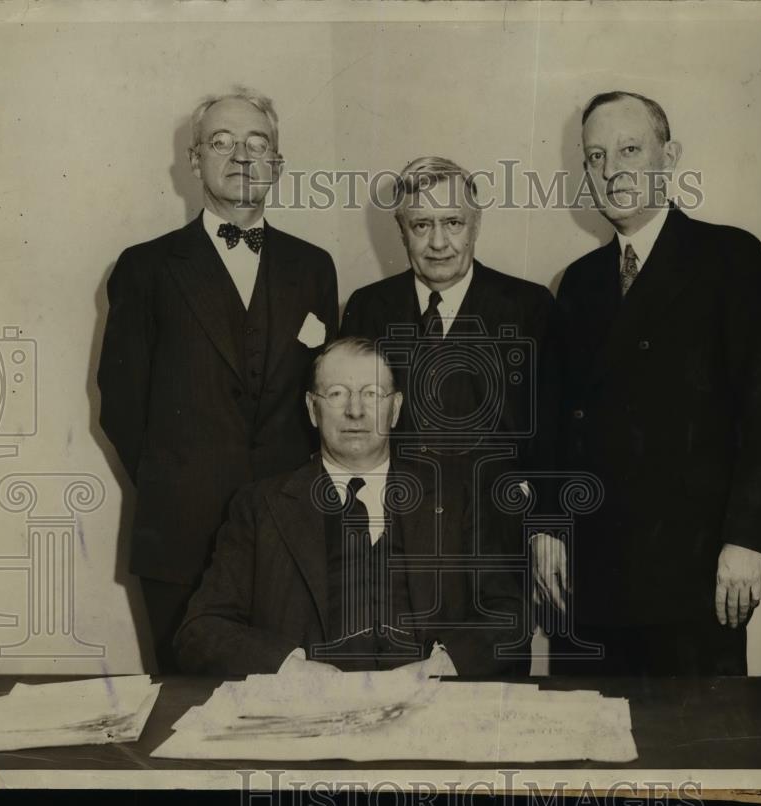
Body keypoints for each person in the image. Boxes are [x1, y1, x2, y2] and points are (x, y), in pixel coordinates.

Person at [535, 91, 761, 675]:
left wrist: (747, 541)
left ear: (668, 157)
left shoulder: (730, 258)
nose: (612, 171)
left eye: (629, 149)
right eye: (595, 157)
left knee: (695, 755)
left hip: (693, 576)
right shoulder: (578, 282)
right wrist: (547, 525)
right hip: (589, 576)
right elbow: (555, 418)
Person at [97, 88, 339, 672]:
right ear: (194, 160)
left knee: (285, 710)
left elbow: (325, 399)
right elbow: (120, 407)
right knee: (183, 710)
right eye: (222, 142)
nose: (241, 157)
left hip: (291, 536)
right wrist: (179, 483)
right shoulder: (146, 267)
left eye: (259, 144)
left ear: (277, 165)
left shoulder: (314, 266)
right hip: (179, 539)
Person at [174, 337, 524, 676]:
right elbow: (201, 630)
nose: (355, 411)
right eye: (337, 394)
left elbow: (511, 616)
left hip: (429, 709)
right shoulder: (259, 506)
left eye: (371, 394)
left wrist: (443, 666)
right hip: (310, 716)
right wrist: (291, 670)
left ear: (396, 409)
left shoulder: (454, 499)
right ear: (313, 409)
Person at [340, 156, 557, 560]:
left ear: (476, 224)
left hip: (498, 543)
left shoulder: (530, 307)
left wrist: (543, 528)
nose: (438, 243)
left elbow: (552, 432)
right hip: (394, 540)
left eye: (453, 223)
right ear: (401, 231)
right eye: (421, 225)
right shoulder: (368, 307)